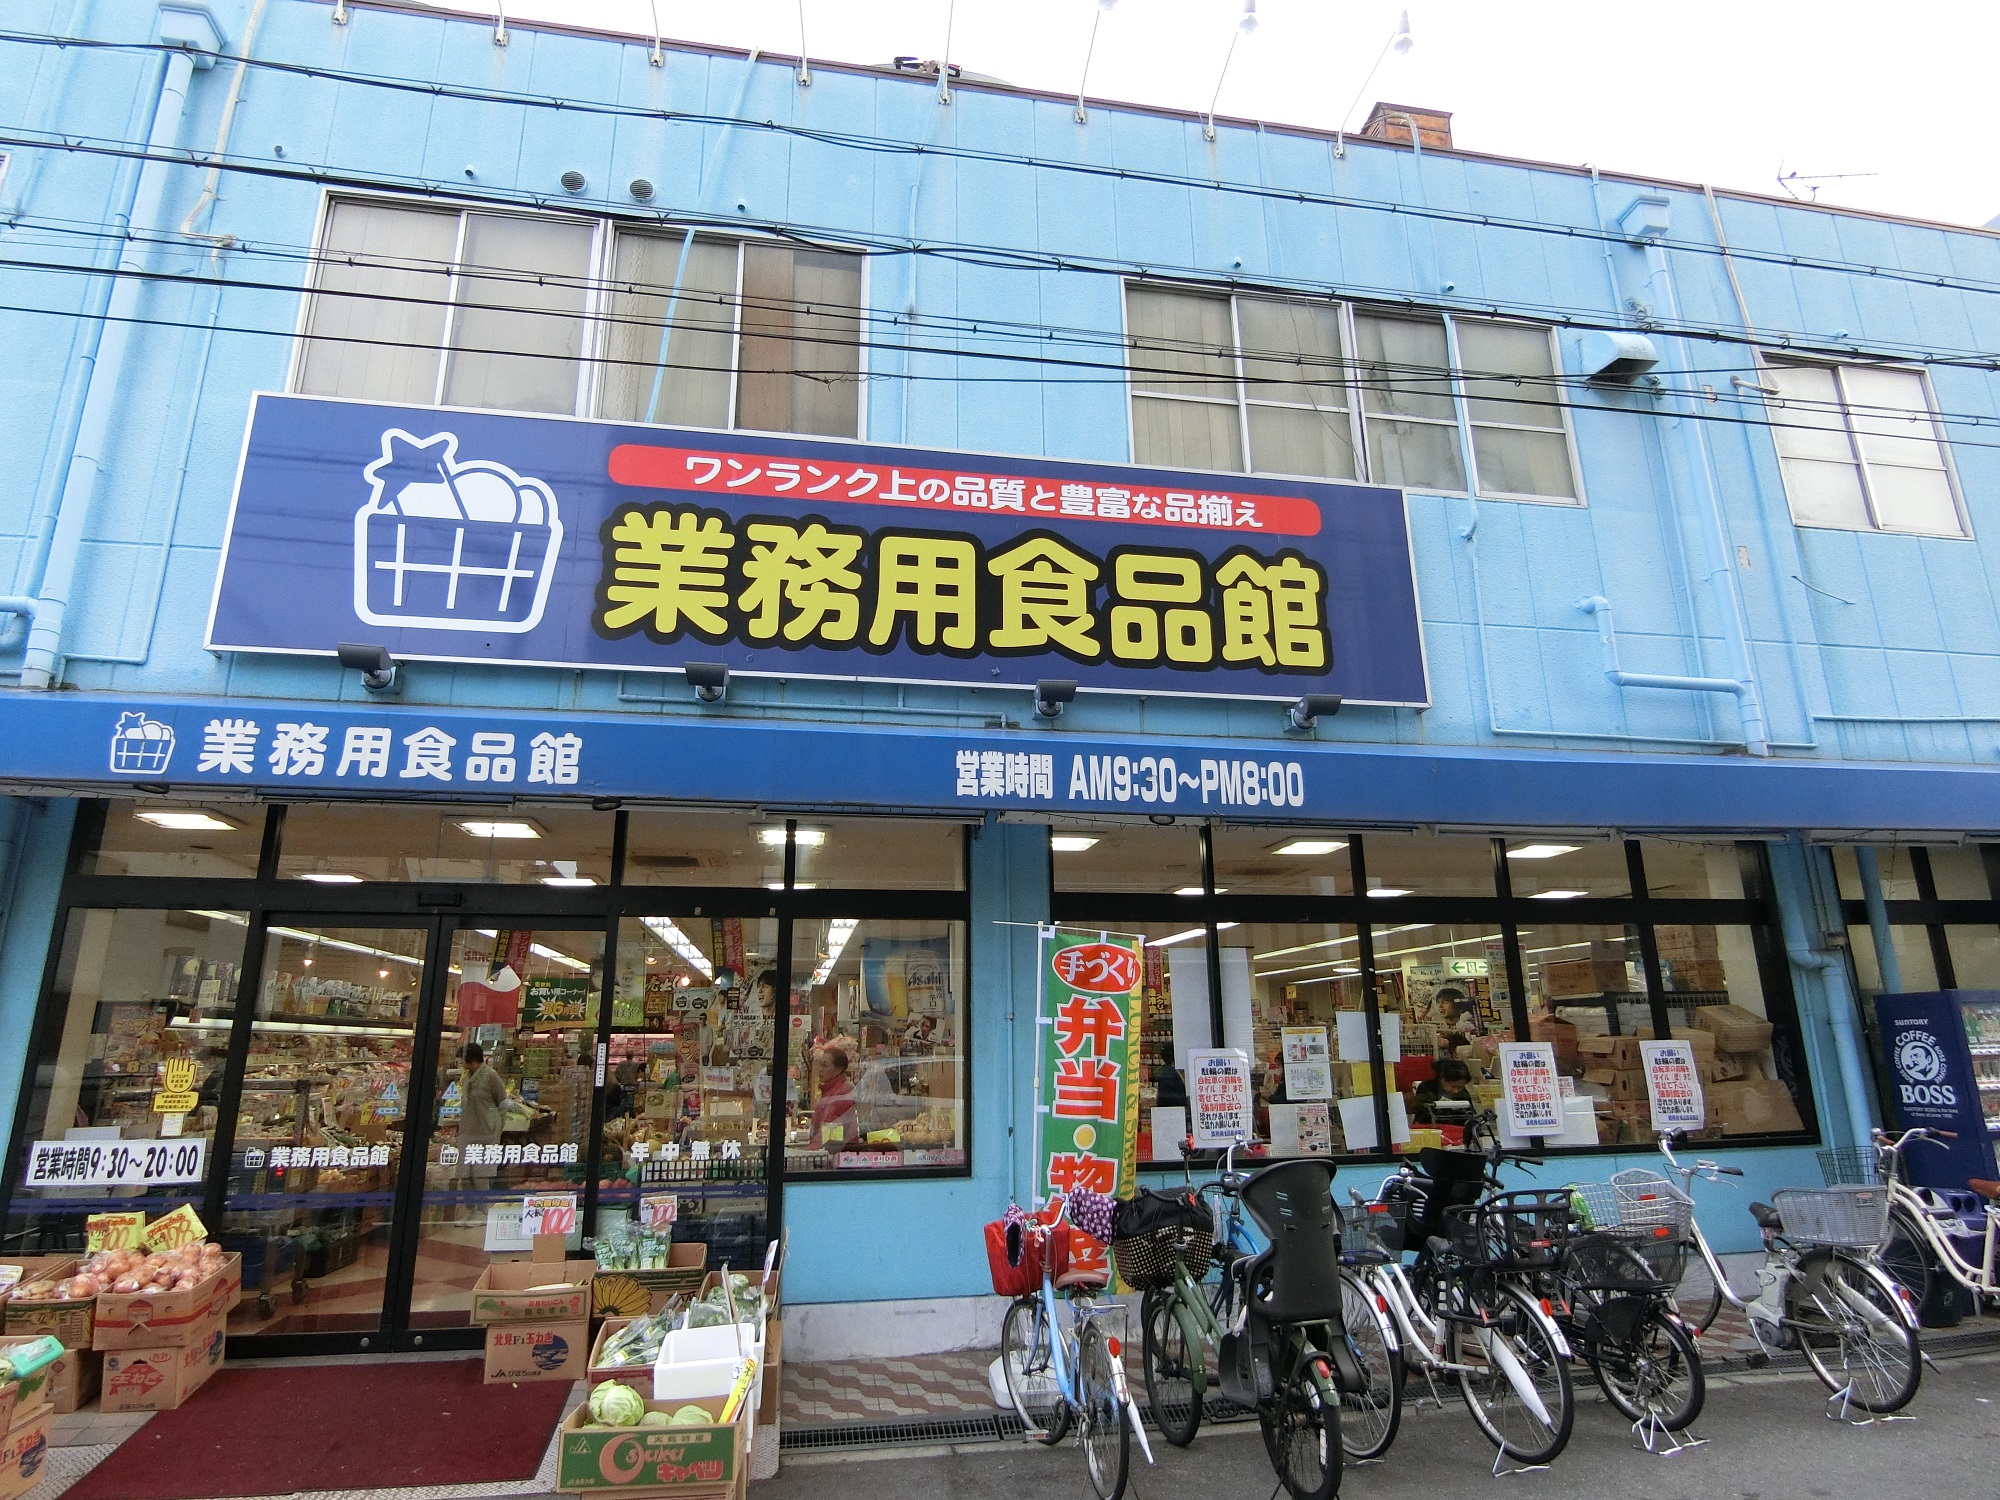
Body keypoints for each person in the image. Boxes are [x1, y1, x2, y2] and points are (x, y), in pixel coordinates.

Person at [457, 1042, 508, 1187]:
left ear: (472, 1060)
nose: (461, 1063)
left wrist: (496, 1126)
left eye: (462, 1059)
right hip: (468, 1131)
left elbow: (503, 1103)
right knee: (464, 1175)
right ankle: (469, 1202)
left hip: (486, 1133)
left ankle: (482, 1202)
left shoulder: (491, 1076)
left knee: (481, 1176)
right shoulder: (467, 1077)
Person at [810, 1045, 856, 1148]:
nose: (820, 1069)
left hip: (836, 1151)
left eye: (825, 1066)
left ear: (838, 1070)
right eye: (820, 1064)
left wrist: (810, 1151)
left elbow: (826, 1134)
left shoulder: (840, 1094)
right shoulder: (830, 1090)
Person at [1413, 1058, 1475, 1124]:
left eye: (1460, 1087)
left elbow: (1469, 1113)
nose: (1456, 1091)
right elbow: (1423, 1111)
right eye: (1453, 1087)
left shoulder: (1463, 1093)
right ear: (1442, 1079)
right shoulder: (1426, 1088)